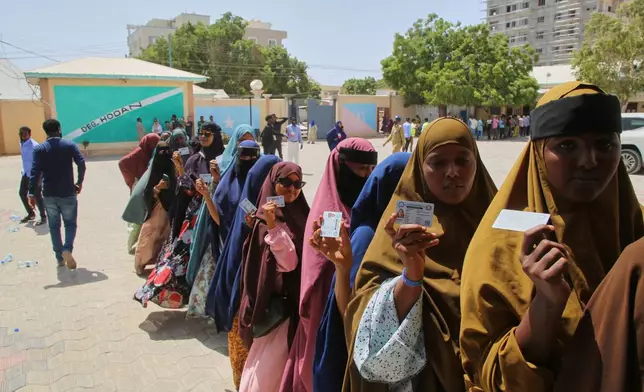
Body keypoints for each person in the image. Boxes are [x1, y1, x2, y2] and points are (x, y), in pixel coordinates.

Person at [459, 82, 644, 392]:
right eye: (568, 145)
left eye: (604, 144)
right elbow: (489, 375)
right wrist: (547, 302)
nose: (589, 160)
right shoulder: (500, 246)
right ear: (539, 154)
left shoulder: (637, 228)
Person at [345, 117, 497, 392]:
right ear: (420, 168)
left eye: (463, 160)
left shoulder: (500, 229)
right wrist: (411, 277)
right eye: (438, 163)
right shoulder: (395, 239)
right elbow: (363, 324)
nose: (452, 172)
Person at [280, 138, 377, 392]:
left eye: (371, 171)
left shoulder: (366, 208)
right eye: (360, 171)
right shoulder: (329, 211)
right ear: (342, 168)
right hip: (325, 302)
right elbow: (318, 267)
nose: (367, 177)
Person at [312, 153, 411, 392]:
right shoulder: (367, 236)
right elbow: (350, 311)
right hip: (373, 360)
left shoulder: (419, 234)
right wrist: (342, 268)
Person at [206, 155, 281, 390]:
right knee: (242, 351)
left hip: (276, 303)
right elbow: (234, 258)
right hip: (245, 295)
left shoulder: (285, 204)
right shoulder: (246, 208)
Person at [238, 162, 310, 392]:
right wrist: (272, 227)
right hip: (278, 312)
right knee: (268, 373)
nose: (292, 189)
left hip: (300, 306)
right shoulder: (264, 222)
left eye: (297, 183)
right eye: (285, 183)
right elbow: (288, 264)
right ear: (272, 183)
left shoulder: (302, 212)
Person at [187, 140, 260, 318]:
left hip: (257, 247)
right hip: (230, 246)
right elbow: (219, 219)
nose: (248, 159)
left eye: (252, 156)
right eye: (244, 155)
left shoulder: (263, 183)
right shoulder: (227, 184)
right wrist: (206, 196)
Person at [29, 119, 86, 269]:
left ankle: (59, 258)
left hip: (48, 194)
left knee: (54, 226)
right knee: (70, 224)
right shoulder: (69, 145)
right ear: (59, 129)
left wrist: (31, 193)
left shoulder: (40, 149)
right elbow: (81, 163)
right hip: (67, 192)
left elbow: (34, 173)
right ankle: (67, 249)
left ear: (45, 131)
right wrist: (79, 182)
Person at [123, 142, 176, 275]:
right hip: (155, 209)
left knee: (165, 237)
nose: (164, 155)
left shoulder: (173, 166)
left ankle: (161, 263)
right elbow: (146, 192)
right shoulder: (153, 170)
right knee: (148, 236)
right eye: (161, 152)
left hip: (169, 210)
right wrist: (157, 189)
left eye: (166, 151)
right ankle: (140, 264)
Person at [119, 133, 160, 254]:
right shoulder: (138, 154)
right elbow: (122, 163)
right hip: (139, 187)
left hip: (149, 187)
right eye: (153, 145)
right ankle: (131, 244)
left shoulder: (152, 154)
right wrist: (132, 181)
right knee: (137, 216)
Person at [18, 126, 46, 226]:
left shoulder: (34, 146)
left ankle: (43, 217)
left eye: (26, 134)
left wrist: (39, 177)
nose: (24, 136)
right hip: (25, 173)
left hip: (35, 175)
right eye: (22, 134)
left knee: (37, 196)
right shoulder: (21, 143)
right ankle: (31, 213)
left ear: (30, 134)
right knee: (22, 193)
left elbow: (41, 162)